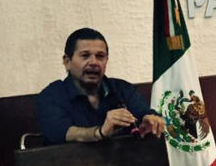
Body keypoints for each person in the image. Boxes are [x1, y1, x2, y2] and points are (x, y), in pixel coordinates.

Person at [36, 28, 165, 145]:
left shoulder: (123, 89)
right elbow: (60, 132)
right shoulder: (51, 96)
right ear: (67, 62)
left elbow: (143, 113)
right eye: (85, 55)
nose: (94, 62)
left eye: (100, 56)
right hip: (68, 163)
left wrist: (150, 120)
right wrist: (100, 132)